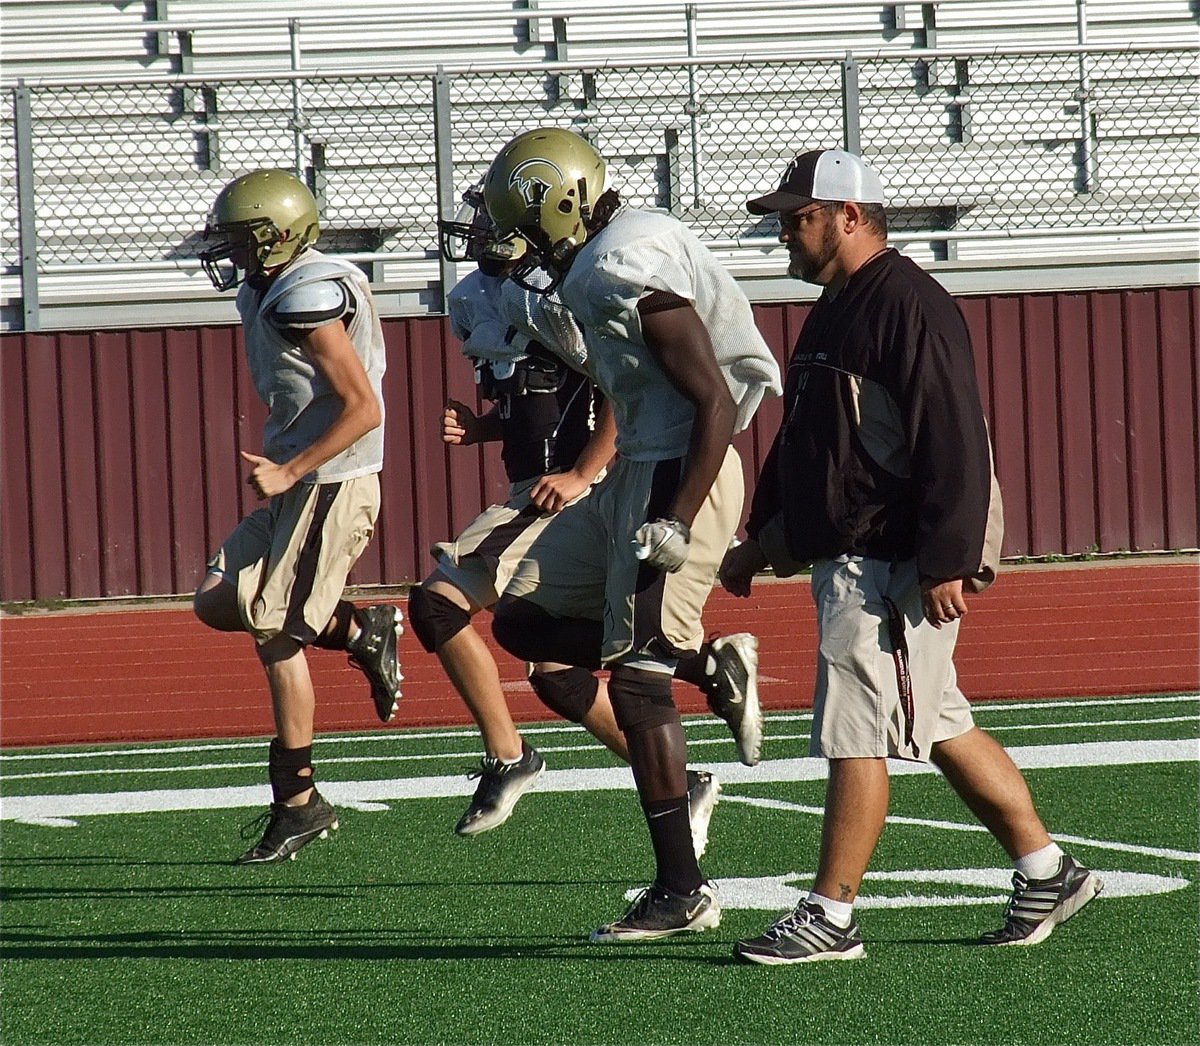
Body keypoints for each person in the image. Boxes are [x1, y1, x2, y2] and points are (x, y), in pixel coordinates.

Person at [722, 148, 1103, 963]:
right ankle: (1047, 870)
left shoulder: (908, 304)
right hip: (862, 553)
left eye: (799, 218)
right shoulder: (838, 303)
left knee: (857, 728)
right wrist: (765, 541)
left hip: (891, 560)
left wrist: (947, 559)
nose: (785, 235)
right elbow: (817, 447)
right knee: (939, 722)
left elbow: (955, 438)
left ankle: (832, 915)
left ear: (849, 216)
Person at [481, 128, 782, 942]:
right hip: (637, 470)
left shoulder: (620, 266)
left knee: (640, 684)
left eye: (520, 218)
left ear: (562, 202)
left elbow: (713, 400)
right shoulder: (611, 250)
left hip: (681, 470)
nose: (511, 237)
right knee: (523, 615)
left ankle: (681, 889)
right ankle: (706, 663)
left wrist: (676, 518)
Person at [408, 192, 750, 851]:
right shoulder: (484, 296)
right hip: (536, 486)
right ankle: (691, 736)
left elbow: (623, 384)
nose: (481, 229)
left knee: (438, 606)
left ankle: (512, 756)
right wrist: (487, 427)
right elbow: (537, 396)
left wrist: (583, 471)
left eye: (493, 215)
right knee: (553, 667)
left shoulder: (571, 285)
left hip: (574, 491)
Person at [193, 169, 403, 865]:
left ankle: (298, 800)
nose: (231, 253)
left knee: (274, 628)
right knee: (219, 600)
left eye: (240, 239)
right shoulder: (277, 286)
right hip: (301, 480)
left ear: (278, 236)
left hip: (329, 482)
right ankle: (359, 628)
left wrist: (289, 468)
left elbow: (363, 407)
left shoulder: (305, 295)